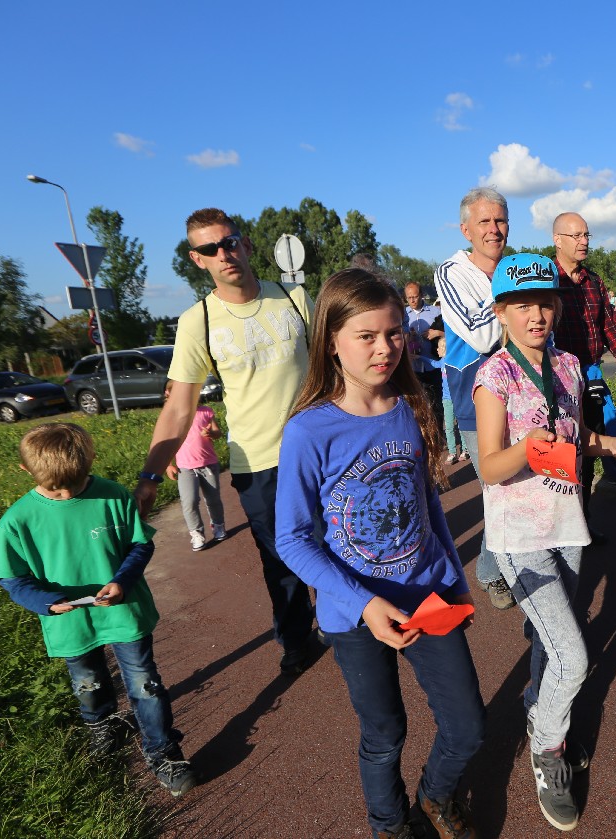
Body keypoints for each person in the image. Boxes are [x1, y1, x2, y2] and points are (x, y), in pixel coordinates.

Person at [275, 270, 484, 839]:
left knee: (467, 726)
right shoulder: (309, 431)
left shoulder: (412, 404)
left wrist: (455, 579)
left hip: (428, 596)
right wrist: (365, 603)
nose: (385, 348)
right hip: (353, 614)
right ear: (331, 342)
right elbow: (292, 539)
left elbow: (428, 504)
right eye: (366, 336)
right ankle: (389, 826)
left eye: (393, 333)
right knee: (385, 734)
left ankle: (436, 796)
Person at [473, 254, 616, 831]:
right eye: (522, 305)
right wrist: (527, 447)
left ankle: (541, 711)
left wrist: (614, 446)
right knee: (574, 656)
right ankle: (547, 749)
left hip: (567, 525)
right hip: (519, 536)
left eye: (545, 304)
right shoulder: (494, 376)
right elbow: (490, 467)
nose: (536, 315)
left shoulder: (569, 365)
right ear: (501, 312)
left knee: (552, 646)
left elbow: (577, 436)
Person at [135, 208, 317, 676]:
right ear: (198, 259)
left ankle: (353, 627)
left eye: (229, 242)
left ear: (246, 244)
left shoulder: (294, 298)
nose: (224, 253)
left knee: (340, 543)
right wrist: (151, 474)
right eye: (210, 249)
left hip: (321, 452)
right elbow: (179, 407)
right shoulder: (197, 321)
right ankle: (298, 640)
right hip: (258, 463)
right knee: (280, 562)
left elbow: (335, 364)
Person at [0, 423, 196, 796]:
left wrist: (123, 580)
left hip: (124, 613)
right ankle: (102, 723)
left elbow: (139, 544)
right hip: (70, 623)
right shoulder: (17, 520)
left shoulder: (113, 496)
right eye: (55, 489)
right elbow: (11, 578)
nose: (66, 494)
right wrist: (45, 602)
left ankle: (162, 752)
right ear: (25, 470)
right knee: (87, 682)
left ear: (91, 460)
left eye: (75, 484)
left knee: (145, 685)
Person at [434, 187, 515, 610]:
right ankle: (490, 571)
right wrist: (512, 300)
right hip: (475, 399)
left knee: (517, 486)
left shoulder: (513, 269)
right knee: (499, 489)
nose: (493, 229)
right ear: (466, 229)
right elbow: (483, 336)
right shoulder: (451, 272)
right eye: (484, 221)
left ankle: (503, 564)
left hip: (520, 394)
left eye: (500, 220)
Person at [550, 212, 616, 521]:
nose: (584, 241)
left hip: (590, 374)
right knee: (562, 451)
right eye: (576, 235)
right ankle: (562, 527)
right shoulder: (548, 281)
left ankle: (584, 524)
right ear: (557, 240)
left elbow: (611, 327)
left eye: (586, 235)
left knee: (590, 446)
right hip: (556, 379)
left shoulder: (593, 282)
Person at [163, 383, 225, 552]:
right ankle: (196, 533)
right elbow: (166, 442)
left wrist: (211, 433)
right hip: (185, 467)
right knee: (189, 501)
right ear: (168, 394)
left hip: (208, 464)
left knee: (213, 499)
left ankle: (218, 525)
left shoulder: (205, 411)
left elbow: (218, 432)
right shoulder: (171, 415)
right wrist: (168, 464)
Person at [404, 281, 445, 437]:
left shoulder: (435, 312)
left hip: (433, 365)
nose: (413, 300)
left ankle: (439, 437)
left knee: (437, 405)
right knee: (417, 406)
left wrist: (438, 333)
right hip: (413, 367)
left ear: (421, 295)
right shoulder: (403, 315)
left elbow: (452, 334)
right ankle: (422, 438)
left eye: (415, 297)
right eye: (409, 298)